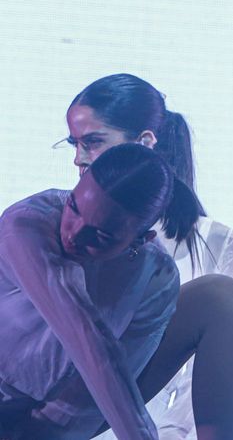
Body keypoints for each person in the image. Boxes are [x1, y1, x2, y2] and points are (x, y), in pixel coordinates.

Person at [62, 73, 233, 440]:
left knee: (222, 298)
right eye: (75, 144)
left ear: (144, 142)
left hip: (157, 426)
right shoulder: (55, 222)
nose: (79, 159)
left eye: (93, 142)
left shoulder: (213, 240)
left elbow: (200, 378)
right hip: (69, 412)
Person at [0, 144, 196, 439]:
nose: (74, 234)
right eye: (74, 207)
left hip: (31, 420)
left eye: (102, 234)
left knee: (219, 300)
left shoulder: (157, 279)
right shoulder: (26, 224)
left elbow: (90, 399)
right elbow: (82, 331)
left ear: (141, 240)